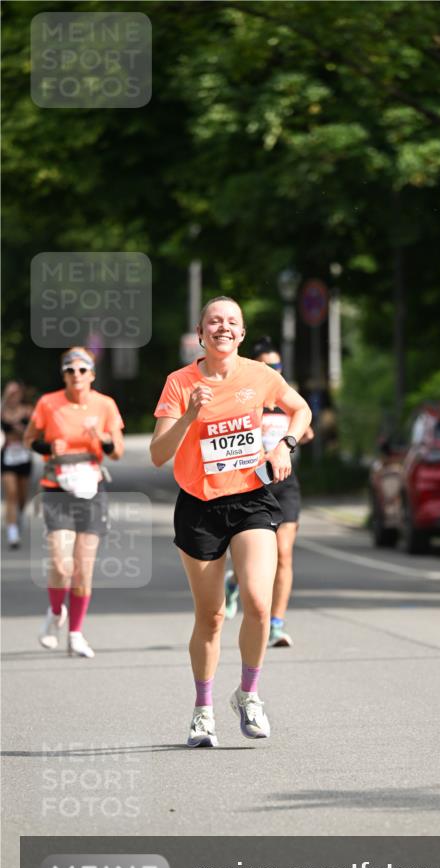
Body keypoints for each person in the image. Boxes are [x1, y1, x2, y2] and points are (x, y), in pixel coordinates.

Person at [150, 296, 311, 748]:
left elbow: (300, 409)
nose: (223, 327)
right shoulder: (179, 383)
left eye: (232, 322)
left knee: (260, 604)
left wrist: (285, 446)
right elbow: (159, 455)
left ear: (241, 335)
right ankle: (203, 711)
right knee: (212, 615)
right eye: (214, 321)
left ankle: (248, 694)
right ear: (200, 334)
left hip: (251, 499)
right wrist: (190, 416)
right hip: (199, 505)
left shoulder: (260, 375)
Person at [23, 347, 125, 657]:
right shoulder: (48, 403)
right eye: (70, 370)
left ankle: (76, 633)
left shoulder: (104, 405)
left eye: (82, 370)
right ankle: (56, 611)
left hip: (91, 491)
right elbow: (30, 440)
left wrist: (102, 438)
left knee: (83, 569)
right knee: (60, 562)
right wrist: (46, 445)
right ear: (63, 375)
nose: (76, 375)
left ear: (92, 374)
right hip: (57, 489)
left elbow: (117, 451)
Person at [225, 338, 314, 648]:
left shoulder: (286, 399)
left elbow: (308, 430)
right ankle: (235, 582)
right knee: (253, 557)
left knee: (284, 554)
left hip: (285, 482)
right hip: (251, 484)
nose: (272, 370)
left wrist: (287, 441)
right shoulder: (246, 400)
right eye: (266, 366)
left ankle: (276, 624)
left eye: (276, 366)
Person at [1, 380, 34, 548]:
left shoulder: (27, 411)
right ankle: (12, 533)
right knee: (11, 494)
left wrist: (20, 430)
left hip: (23, 455)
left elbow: (34, 432)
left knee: (21, 495)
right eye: (10, 394)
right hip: (7, 456)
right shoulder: (2, 411)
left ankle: (19, 516)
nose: (13, 397)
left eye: (16, 394)